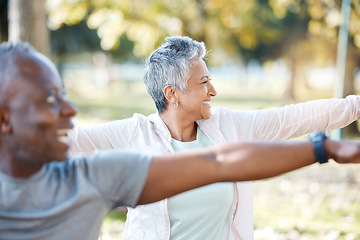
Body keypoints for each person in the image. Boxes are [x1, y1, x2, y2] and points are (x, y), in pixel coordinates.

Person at [0, 43, 360, 240]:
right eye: (203, 82)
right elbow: (55, 141)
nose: (213, 90)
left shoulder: (229, 126)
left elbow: (293, 119)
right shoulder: (129, 137)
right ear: (172, 93)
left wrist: (344, 120)